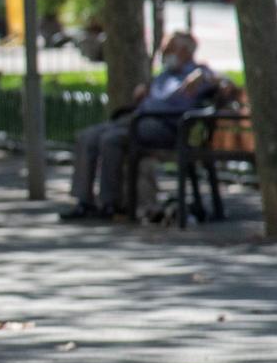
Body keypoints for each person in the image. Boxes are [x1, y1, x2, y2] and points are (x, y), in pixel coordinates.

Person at [61, 31, 217, 221]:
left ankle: (110, 203)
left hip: (165, 126)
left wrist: (203, 76)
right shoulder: (165, 74)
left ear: (185, 51)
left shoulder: (197, 73)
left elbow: (222, 82)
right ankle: (83, 201)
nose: (165, 53)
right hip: (139, 118)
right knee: (88, 136)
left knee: (110, 140)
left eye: (170, 49)